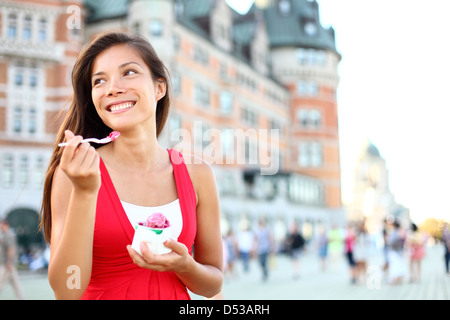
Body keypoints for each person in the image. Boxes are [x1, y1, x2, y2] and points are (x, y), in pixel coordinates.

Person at [39, 32, 223, 300]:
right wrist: (85, 192)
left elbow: (212, 285)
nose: (112, 87)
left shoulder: (198, 174)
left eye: (129, 72)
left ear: (160, 87)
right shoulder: (75, 173)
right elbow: (66, 291)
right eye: (99, 81)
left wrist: (186, 266)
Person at [0, 219, 24, 300]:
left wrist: (9, 262)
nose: (0, 227)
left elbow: (11, 249)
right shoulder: (6, 234)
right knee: (16, 284)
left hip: (7, 264)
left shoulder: (9, 235)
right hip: (9, 264)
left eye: (1, 224)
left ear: (5, 225)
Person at [386, 220, 407, 285]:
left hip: (394, 251)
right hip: (399, 251)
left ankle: (394, 280)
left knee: (394, 266)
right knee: (399, 265)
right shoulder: (401, 231)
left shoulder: (394, 232)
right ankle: (398, 279)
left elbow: (391, 242)